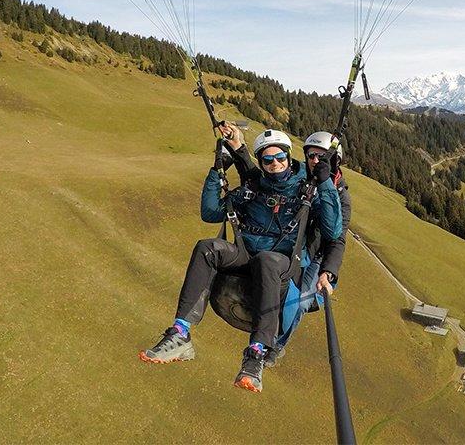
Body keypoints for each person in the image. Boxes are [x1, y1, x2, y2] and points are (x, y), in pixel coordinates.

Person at [139, 129, 343, 394]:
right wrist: (217, 171)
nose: (275, 164)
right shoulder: (253, 188)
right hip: (246, 256)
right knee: (207, 248)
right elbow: (211, 212)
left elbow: (333, 231)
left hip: (282, 264)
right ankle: (180, 332)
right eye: (267, 160)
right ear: (260, 163)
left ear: (289, 156)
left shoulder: (307, 191)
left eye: (280, 157)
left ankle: (256, 353)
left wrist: (325, 184)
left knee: (267, 261)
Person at [218, 125, 352, 367]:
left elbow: (337, 237)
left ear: (335, 160)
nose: (314, 160)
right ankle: (261, 336)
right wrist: (239, 149)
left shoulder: (339, 195)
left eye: (321, 156)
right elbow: (260, 181)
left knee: (299, 301)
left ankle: (276, 345)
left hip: (317, 256)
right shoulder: (299, 179)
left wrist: (328, 272)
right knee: (282, 287)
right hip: (295, 251)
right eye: (310, 155)